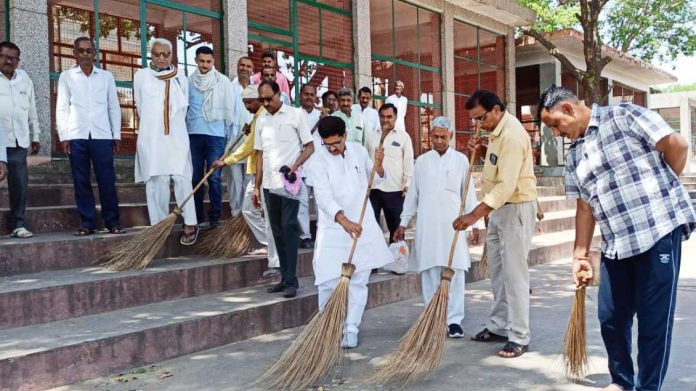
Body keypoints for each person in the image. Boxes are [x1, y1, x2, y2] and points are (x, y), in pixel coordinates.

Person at [538, 85, 696, 391]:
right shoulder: (574, 156)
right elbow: (584, 207)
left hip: (657, 232)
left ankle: (647, 387)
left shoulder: (624, 116)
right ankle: (622, 381)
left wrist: (663, 189)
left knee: (653, 322)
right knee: (611, 316)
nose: (557, 133)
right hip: (616, 244)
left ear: (568, 109)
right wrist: (579, 255)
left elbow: (676, 144)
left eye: (556, 125)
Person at [452, 90, 537, 358]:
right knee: (498, 273)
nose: (479, 125)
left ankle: (520, 335)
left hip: (514, 208)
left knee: (514, 275)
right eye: (475, 120)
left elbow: (506, 185)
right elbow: (500, 165)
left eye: (481, 118)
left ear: (497, 110)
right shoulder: (496, 132)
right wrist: (483, 149)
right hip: (498, 211)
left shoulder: (511, 135)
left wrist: (473, 216)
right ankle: (499, 326)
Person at [394, 116, 482, 338]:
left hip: (454, 226)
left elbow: (468, 193)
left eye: (444, 136)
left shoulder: (462, 161)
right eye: (435, 136)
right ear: (430, 137)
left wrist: (474, 223)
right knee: (430, 271)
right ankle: (432, 317)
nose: (439, 140)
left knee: (455, 272)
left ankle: (454, 321)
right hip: (428, 225)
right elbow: (413, 195)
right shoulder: (421, 161)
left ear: (451, 137)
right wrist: (403, 223)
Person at [311, 115, 390, 348]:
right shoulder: (317, 161)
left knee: (358, 280)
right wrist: (343, 221)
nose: (333, 148)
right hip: (334, 228)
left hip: (361, 225)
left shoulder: (358, 151)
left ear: (345, 135)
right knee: (327, 280)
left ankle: (351, 328)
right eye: (328, 145)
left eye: (337, 143)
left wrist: (379, 165)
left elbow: (374, 182)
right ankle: (327, 327)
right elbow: (323, 197)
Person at [56, 37, 123, 236]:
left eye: (89, 51)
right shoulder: (66, 77)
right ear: (74, 53)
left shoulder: (106, 77)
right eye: (81, 51)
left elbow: (113, 106)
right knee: (81, 181)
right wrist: (64, 136)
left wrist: (116, 135)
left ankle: (112, 222)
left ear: (95, 54)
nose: (85, 54)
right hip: (77, 136)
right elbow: (62, 108)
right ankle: (87, 223)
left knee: (107, 180)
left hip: (102, 136)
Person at [133, 38, 198, 245]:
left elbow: (184, 107)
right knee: (156, 180)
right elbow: (140, 107)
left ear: (172, 56)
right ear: (151, 55)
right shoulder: (141, 76)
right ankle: (158, 227)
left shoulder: (180, 77)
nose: (161, 58)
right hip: (151, 136)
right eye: (156, 54)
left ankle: (190, 223)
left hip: (177, 135)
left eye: (165, 54)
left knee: (182, 178)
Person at [253, 80, 314, 298]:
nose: (266, 103)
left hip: (290, 182)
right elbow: (259, 154)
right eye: (262, 99)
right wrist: (256, 185)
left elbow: (310, 146)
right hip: (269, 185)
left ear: (280, 94)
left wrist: (295, 166)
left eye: (269, 98)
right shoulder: (260, 120)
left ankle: (292, 281)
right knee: (276, 230)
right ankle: (285, 277)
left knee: (288, 226)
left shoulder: (296, 115)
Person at [212, 85, 279, 272]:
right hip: (255, 173)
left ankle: (276, 258)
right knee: (248, 209)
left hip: (264, 174)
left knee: (263, 213)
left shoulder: (263, 118)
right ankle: (274, 244)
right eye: (244, 103)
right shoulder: (257, 118)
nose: (247, 106)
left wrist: (226, 161)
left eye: (249, 102)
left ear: (259, 100)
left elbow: (249, 148)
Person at [186, 46, 233, 228]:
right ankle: (197, 216)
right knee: (196, 177)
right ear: (196, 61)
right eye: (202, 61)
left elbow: (231, 109)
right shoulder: (188, 81)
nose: (205, 65)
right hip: (194, 134)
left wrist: (228, 136)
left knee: (214, 178)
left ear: (213, 62)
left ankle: (215, 217)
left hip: (216, 135)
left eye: (208, 61)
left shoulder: (223, 81)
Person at [0, 41, 40, 238]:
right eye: (6, 57)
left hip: (18, 142)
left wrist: (36, 135)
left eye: (14, 58)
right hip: (0, 139)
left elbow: (31, 108)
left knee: (19, 185)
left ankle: (18, 224)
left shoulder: (24, 79)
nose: (9, 61)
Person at [365, 103, 414, 242]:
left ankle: (397, 260)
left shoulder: (404, 137)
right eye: (382, 117)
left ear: (396, 117)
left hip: (395, 189)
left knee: (396, 229)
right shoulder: (370, 136)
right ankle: (374, 260)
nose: (385, 120)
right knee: (371, 227)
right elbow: (365, 161)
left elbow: (408, 162)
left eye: (389, 117)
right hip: (373, 189)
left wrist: (408, 182)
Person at [226, 56, 255, 217]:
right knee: (235, 182)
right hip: (233, 143)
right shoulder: (229, 88)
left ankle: (247, 215)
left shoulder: (256, 90)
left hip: (251, 144)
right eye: (242, 65)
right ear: (237, 67)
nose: (244, 68)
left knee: (248, 181)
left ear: (252, 70)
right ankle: (236, 215)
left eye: (248, 66)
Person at [297, 84, 321, 249]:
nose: (309, 97)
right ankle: (305, 236)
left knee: (321, 203)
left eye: (312, 94)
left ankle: (322, 235)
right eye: (306, 94)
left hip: (319, 167)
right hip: (301, 165)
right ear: (301, 95)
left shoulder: (322, 116)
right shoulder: (293, 115)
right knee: (302, 202)